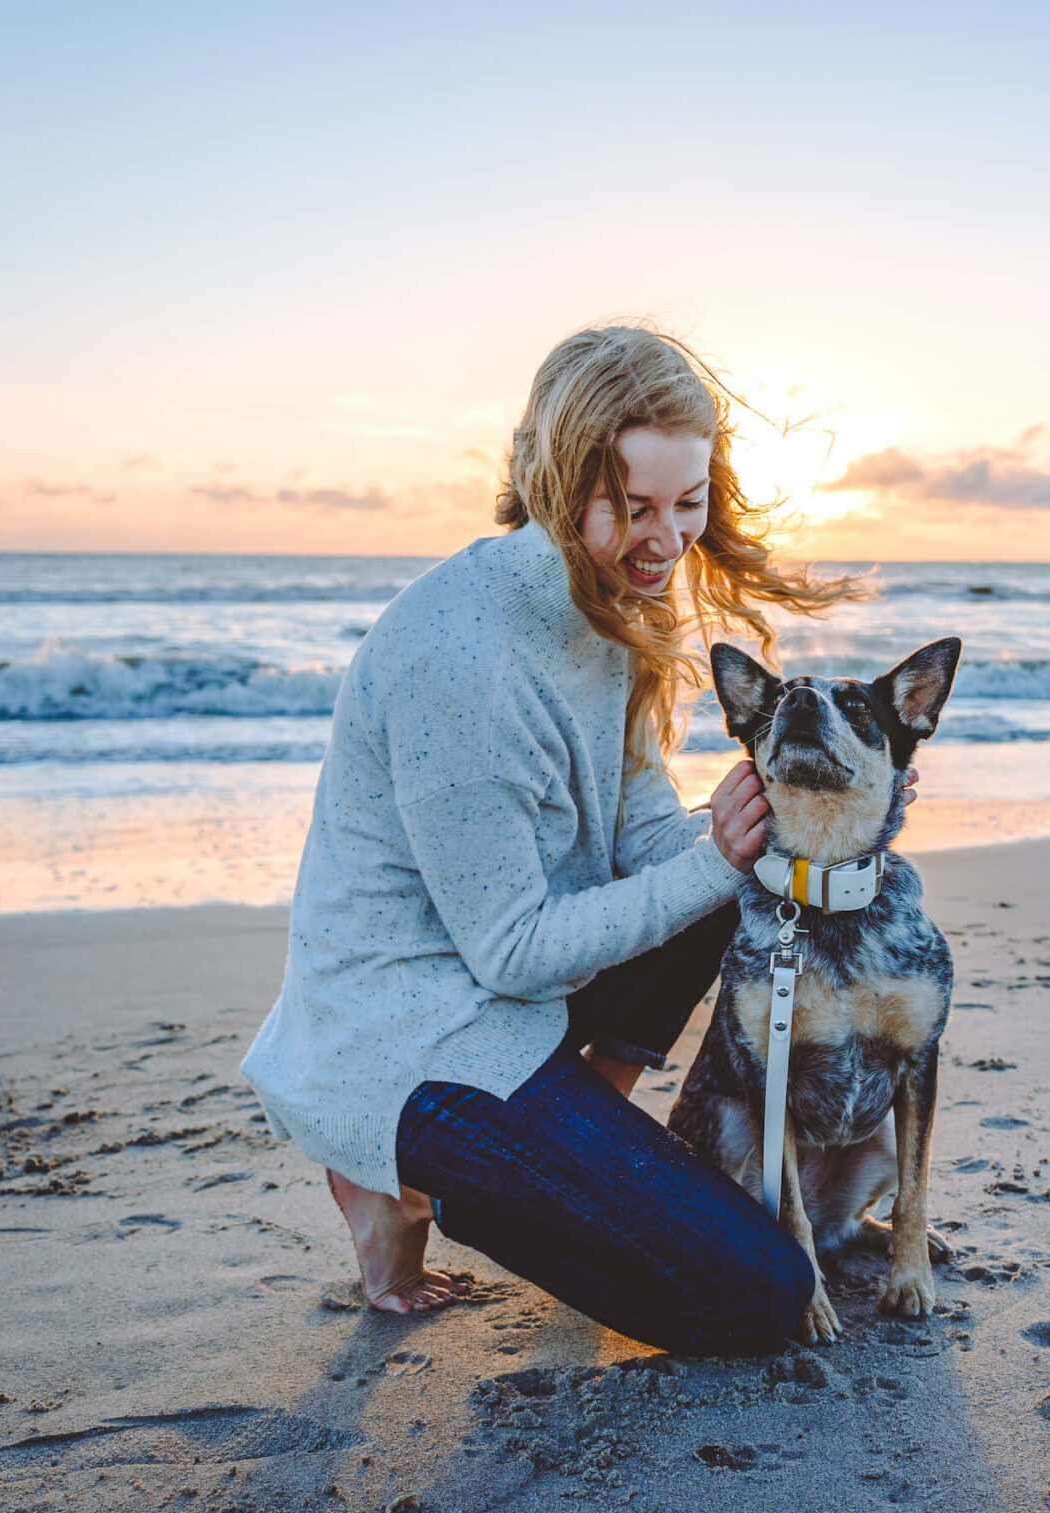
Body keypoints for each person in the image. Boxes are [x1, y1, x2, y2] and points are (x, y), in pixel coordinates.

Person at [241, 325, 897, 1355]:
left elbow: (645, 831)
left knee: (730, 864)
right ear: (557, 480)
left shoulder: (608, 604)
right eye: (634, 508)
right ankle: (403, 1178)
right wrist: (712, 860)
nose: (667, 541)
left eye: (688, 505)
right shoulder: (462, 658)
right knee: (753, 1296)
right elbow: (510, 951)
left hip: (516, 997)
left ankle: (565, 1135)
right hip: (412, 1038)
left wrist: (760, 834)